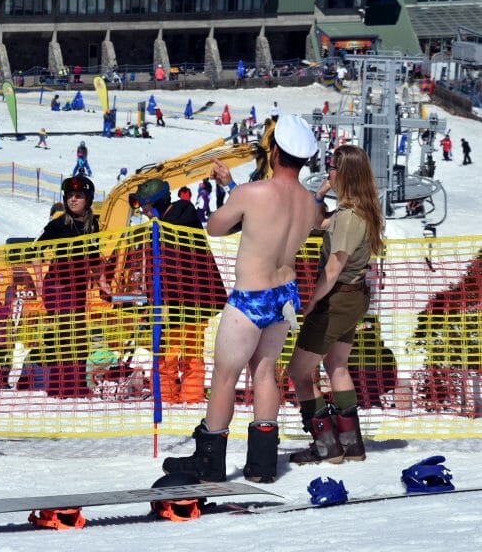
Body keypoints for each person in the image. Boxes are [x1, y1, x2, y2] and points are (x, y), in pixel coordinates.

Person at [162, 114, 320, 484]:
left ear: (275, 150)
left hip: (250, 297)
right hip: (284, 297)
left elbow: (216, 227)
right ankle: (263, 464)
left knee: (224, 378)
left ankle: (209, 463)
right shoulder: (309, 203)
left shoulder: (253, 193)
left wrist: (228, 190)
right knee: (265, 374)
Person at [286, 145, 383, 465]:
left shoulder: (348, 217)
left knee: (298, 372)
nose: (327, 172)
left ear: (344, 173)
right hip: (354, 297)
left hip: (337, 298)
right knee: (336, 366)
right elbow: (317, 222)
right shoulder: (361, 211)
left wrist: (313, 300)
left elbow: (333, 266)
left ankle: (327, 445)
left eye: (331, 168)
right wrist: (322, 191)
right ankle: (351, 444)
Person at [126, 178, 227, 404]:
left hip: (194, 300)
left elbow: (175, 250)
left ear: (159, 203)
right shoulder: (156, 227)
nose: (145, 212)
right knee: (165, 353)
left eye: (147, 207)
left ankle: (192, 398)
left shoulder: (184, 214)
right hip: (165, 301)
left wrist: (157, 227)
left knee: (191, 353)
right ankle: (166, 398)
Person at [35, 175, 109, 397]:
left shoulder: (92, 225)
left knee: (77, 337)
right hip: (58, 287)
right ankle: (62, 387)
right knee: (66, 336)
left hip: (78, 288)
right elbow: (34, 253)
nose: (73, 200)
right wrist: (40, 286)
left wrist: (104, 285)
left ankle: (76, 385)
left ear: (88, 200)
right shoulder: (58, 225)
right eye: (70, 196)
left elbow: (95, 259)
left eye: (79, 196)